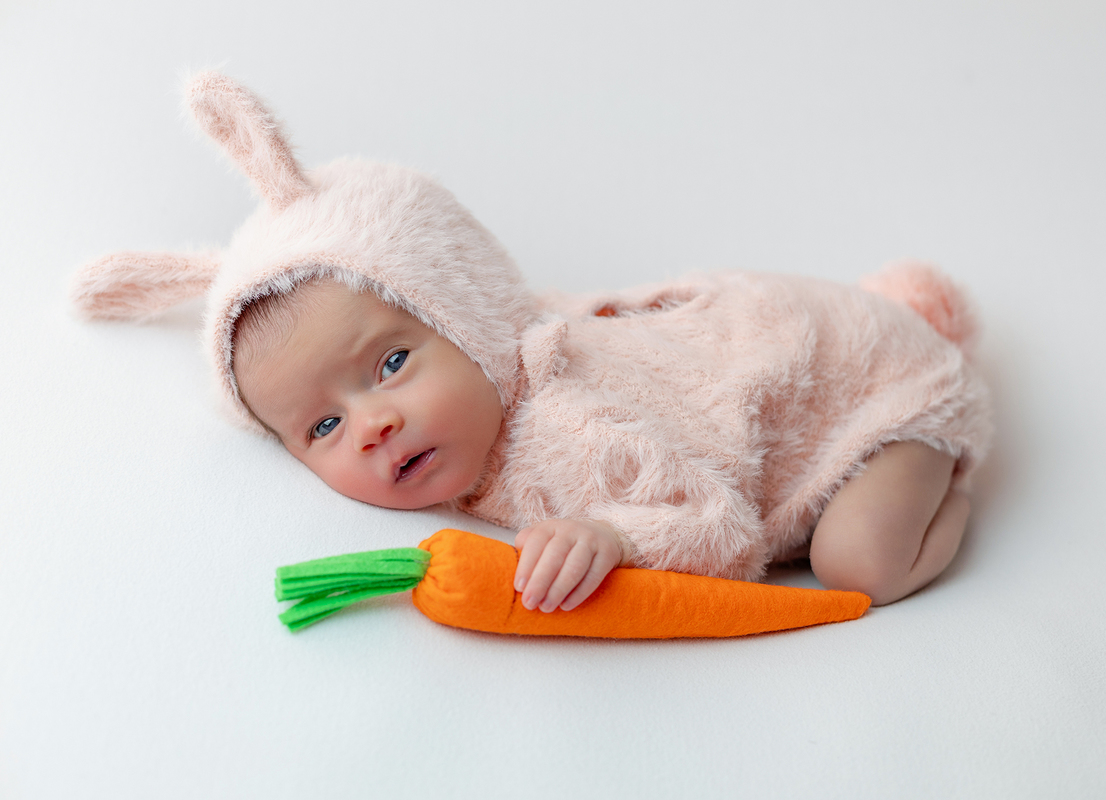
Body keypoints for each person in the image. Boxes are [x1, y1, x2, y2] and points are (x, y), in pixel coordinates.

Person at [71, 71, 992, 614]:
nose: (373, 427)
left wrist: (607, 532)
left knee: (854, 564)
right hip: (799, 338)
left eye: (390, 365)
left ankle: (952, 468)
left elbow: (726, 529)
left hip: (879, 382)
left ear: (467, 320)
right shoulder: (485, 389)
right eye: (320, 428)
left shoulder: (566, 422)